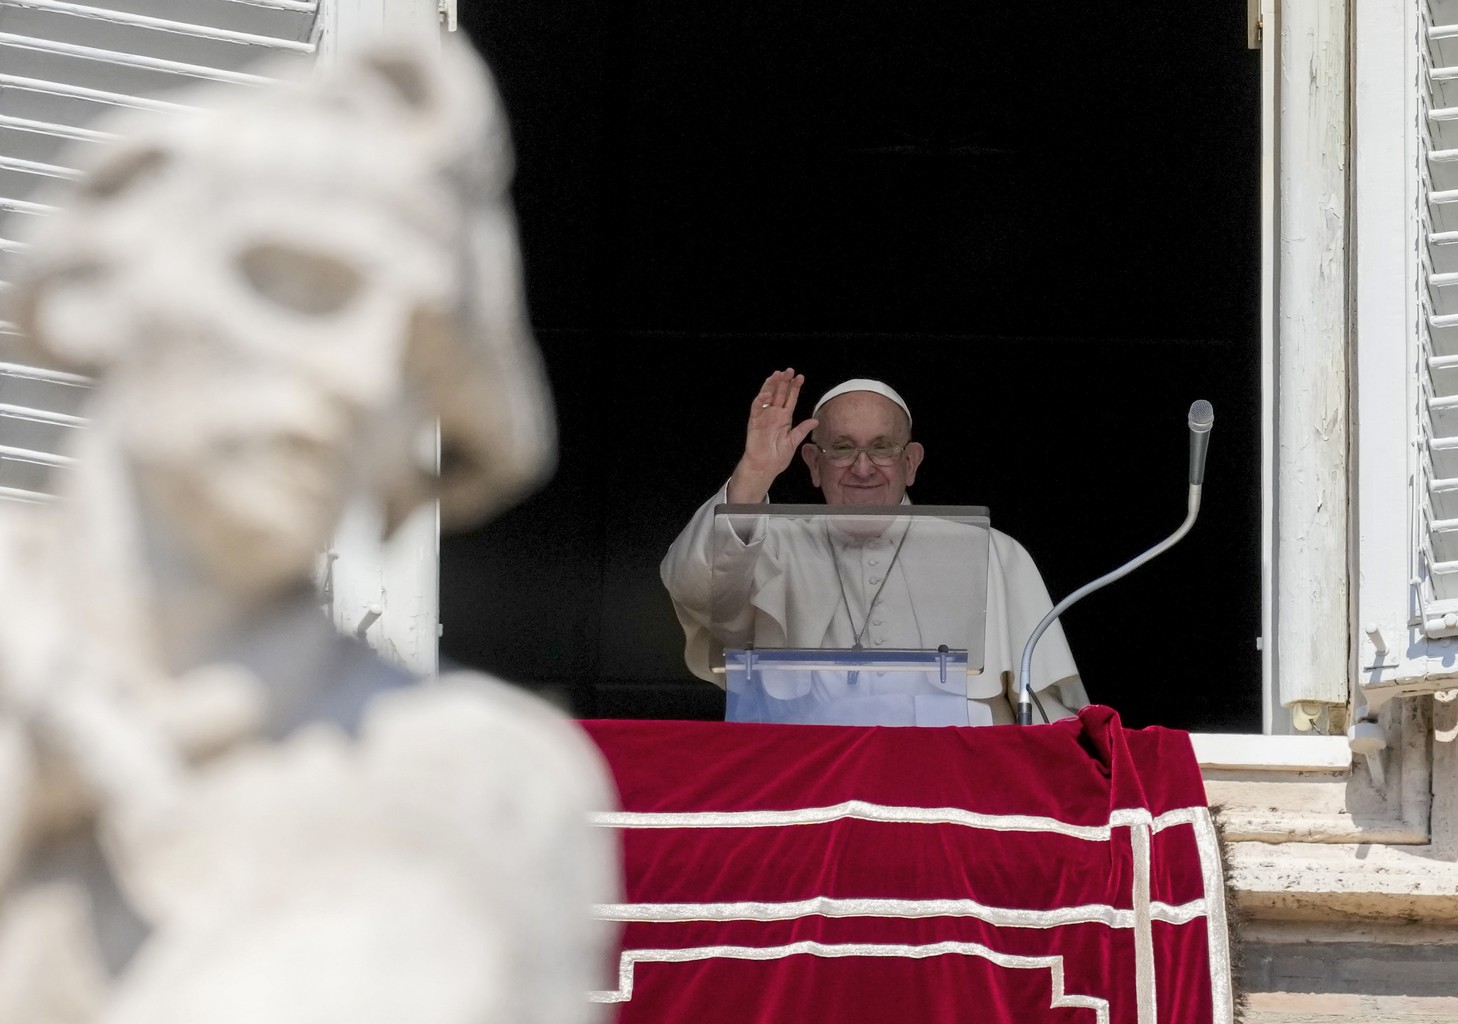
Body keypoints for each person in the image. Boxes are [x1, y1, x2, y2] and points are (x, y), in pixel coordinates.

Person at [0, 38, 618, 1024]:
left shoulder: (478, 789)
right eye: (297, 283)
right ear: (98, 288)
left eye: (419, 354)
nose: (362, 377)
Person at [660, 367, 1088, 725]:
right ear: (812, 463)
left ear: (911, 461)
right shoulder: (769, 542)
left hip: (958, 783)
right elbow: (695, 588)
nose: (862, 469)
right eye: (842, 448)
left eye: (882, 448)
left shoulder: (995, 553)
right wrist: (755, 471)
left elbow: (1050, 708)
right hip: (815, 781)